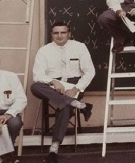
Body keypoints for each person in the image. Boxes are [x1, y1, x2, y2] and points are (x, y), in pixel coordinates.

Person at [31, 22, 95, 163]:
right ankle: (79, 105)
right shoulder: (44, 50)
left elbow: (90, 72)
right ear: (51, 35)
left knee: (64, 106)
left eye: (63, 32)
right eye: (56, 33)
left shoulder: (80, 47)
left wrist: (76, 88)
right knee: (35, 87)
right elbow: (37, 75)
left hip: (74, 86)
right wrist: (53, 82)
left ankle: (54, 147)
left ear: (69, 33)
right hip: (53, 87)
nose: (59, 36)